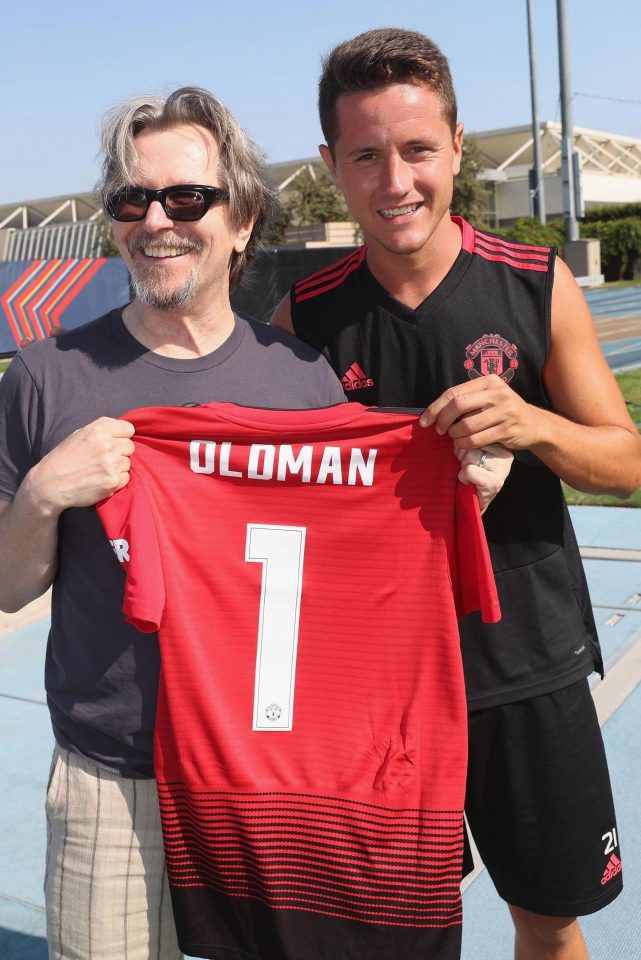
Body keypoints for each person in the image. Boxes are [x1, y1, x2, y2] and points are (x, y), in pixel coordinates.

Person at [271, 27, 641, 960]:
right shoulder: (304, 318)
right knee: (389, 928)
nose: (394, 180)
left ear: (456, 148)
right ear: (331, 167)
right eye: (365, 156)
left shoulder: (532, 286)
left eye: (416, 150)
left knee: (546, 921)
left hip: (526, 662)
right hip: (373, 683)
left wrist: (534, 426)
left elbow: (626, 460)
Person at [0, 86, 348, 960]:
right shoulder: (46, 377)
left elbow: (345, 584)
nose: (155, 219)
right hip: (111, 773)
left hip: (263, 770)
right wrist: (44, 493)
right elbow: (8, 591)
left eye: (186, 198)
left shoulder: (303, 384)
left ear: (243, 220)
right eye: (131, 199)